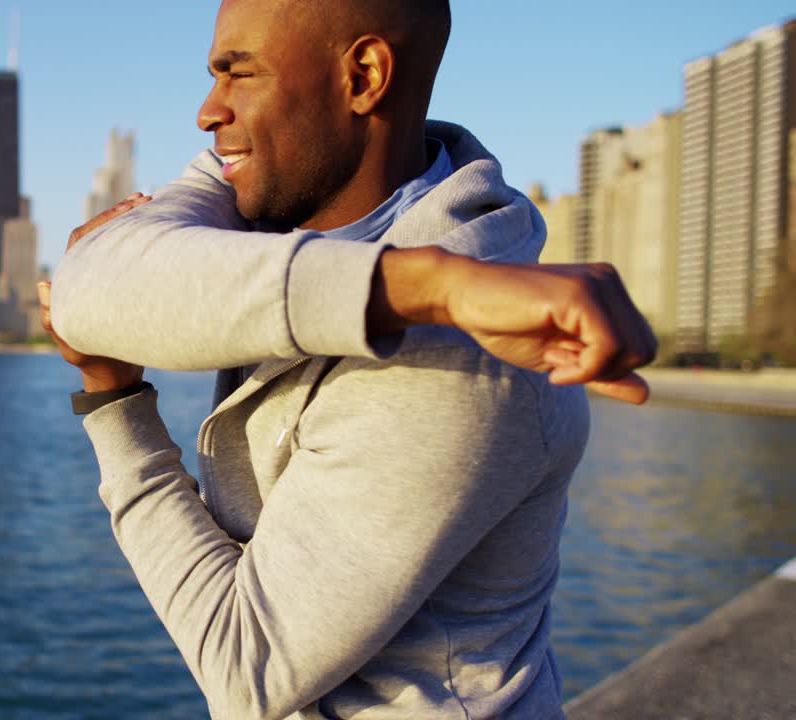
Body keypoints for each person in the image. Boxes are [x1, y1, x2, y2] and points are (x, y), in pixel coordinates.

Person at [42, 1, 656, 717]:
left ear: (364, 76)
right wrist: (431, 284)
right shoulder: (278, 187)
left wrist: (115, 402)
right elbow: (90, 280)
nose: (208, 111)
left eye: (240, 74)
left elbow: (246, 665)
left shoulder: (459, 368)